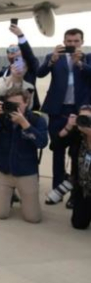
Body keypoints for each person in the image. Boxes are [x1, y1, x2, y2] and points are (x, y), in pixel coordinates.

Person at [36, 28, 91, 196]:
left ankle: (75, 193)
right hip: (57, 111)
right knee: (57, 150)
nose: (72, 44)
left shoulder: (87, 58)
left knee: (76, 152)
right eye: (69, 41)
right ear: (64, 42)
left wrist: (80, 63)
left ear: (82, 42)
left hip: (79, 110)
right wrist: (51, 61)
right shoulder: (54, 57)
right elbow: (40, 73)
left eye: (76, 41)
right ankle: (57, 189)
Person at [0, 88, 47, 223]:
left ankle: (24, 200)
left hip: (26, 173)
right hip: (3, 171)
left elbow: (42, 142)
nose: (15, 108)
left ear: (26, 103)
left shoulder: (36, 119)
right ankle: (7, 197)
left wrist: (24, 124)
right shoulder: (2, 118)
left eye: (18, 104)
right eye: (11, 104)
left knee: (33, 218)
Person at [54, 105, 91, 229]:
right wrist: (68, 127)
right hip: (83, 187)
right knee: (79, 224)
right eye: (82, 117)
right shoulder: (77, 135)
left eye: (88, 118)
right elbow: (55, 146)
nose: (85, 121)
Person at [0, 24, 40, 109]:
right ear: (7, 55)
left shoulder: (30, 68)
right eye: (10, 50)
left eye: (16, 49)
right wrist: (12, 77)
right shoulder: (3, 73)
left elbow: (29, 55)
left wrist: (20, 36)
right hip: (7, 109)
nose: (13, 51)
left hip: (27, 110)